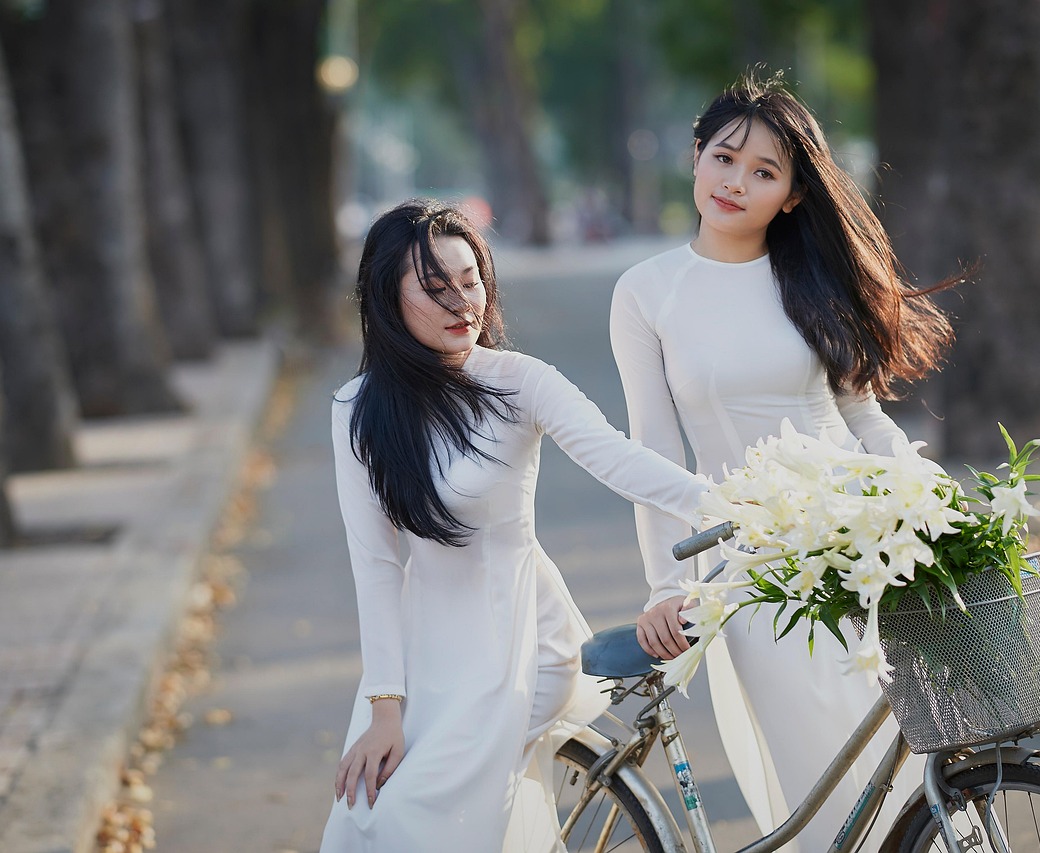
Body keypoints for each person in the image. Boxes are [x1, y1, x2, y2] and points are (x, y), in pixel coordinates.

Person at [609, 71, 957, 851]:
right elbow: (653, 450)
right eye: (724, 158)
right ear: (696, 155)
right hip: (758, 571)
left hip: (866, 542)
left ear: (794, 194)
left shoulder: (811, 277)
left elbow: (860, 413)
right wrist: (667, 584)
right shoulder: (648, 292)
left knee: (915, 764)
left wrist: (928, 497)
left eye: (764, 171)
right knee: (825, 777)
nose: (736, 182)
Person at [320, 200, 708, 852]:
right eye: (435, 288)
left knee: (418, 818)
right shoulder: (357, 410)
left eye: (470, 280)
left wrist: (736, 504)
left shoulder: (518, 382)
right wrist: (385, 706)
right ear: (387, 298)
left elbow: (619, 460)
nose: (461, 303)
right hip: (420, 660)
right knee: (370, 816)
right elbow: (377, 564)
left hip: (517, 644)